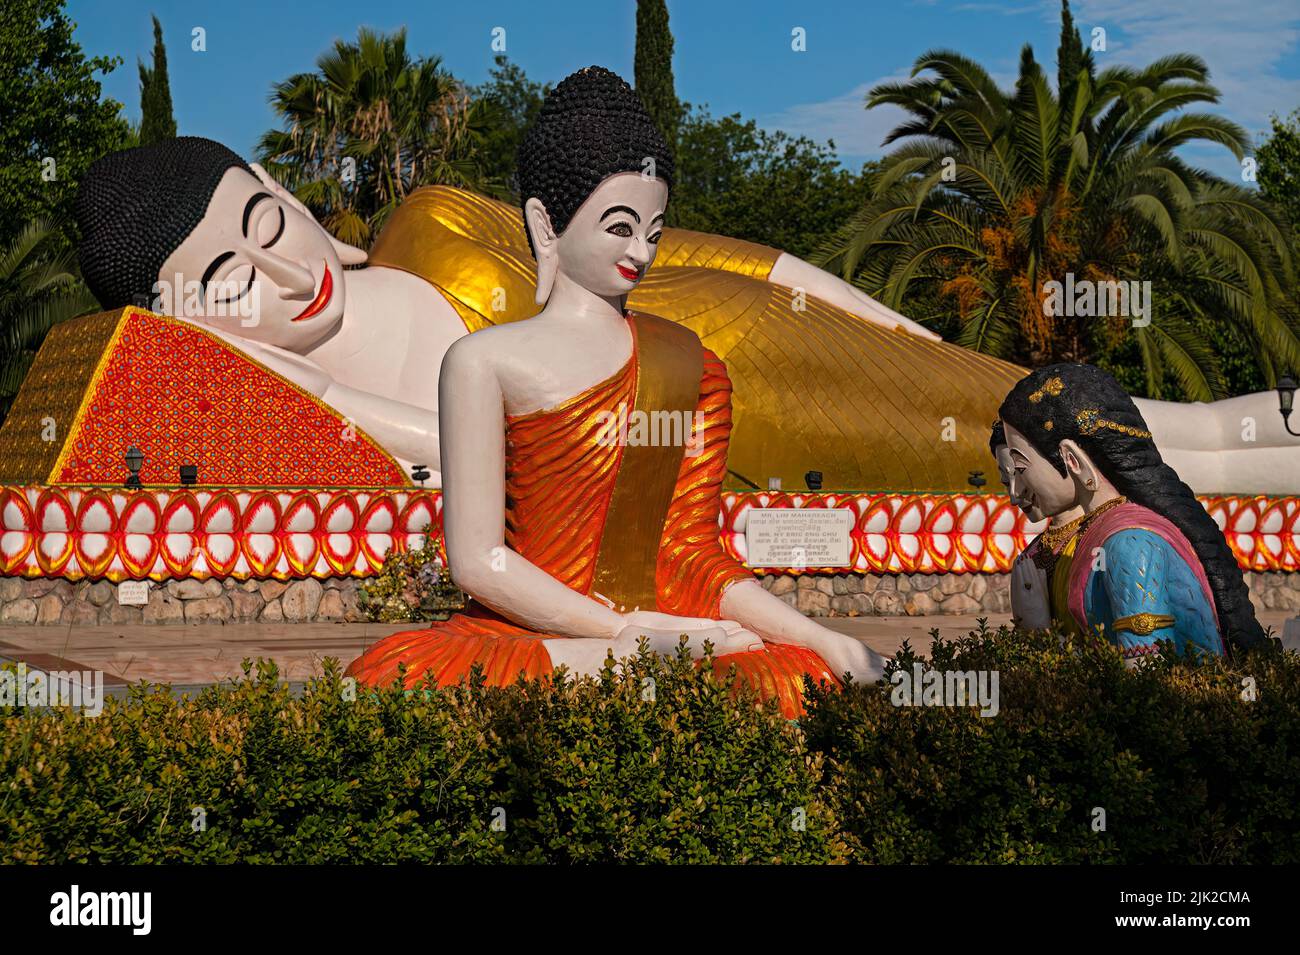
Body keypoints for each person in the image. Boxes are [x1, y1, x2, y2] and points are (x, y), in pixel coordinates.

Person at [344, 66, 886, 715]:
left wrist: (816, 634)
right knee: (399, 674)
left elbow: (694, 558)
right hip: (541, 639)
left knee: (795, 675)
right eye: (619, 226)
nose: (642, 253)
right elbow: (479, 563)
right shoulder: (481, 360)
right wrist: (628, 633)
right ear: (546, 225)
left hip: (671, 632)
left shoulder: (692, 366)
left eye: (654, 232)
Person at [995, 363, 1269, 660]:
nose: (1015, 490)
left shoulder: (1131, 543)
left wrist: (1039, 634)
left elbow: (1146, 679)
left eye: (1021, 469)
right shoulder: (1093, 532)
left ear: (1071, 460)